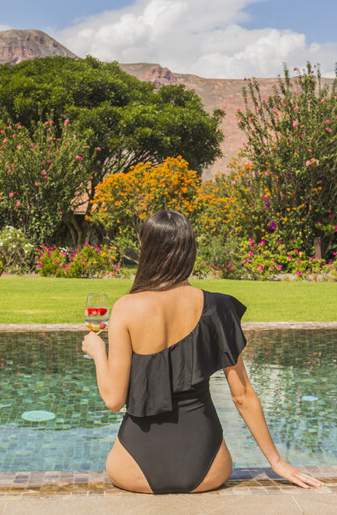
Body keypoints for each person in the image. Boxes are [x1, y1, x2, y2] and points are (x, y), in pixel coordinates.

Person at [82, 210, 322, 494]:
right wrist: (277, 463)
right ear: (188, 250)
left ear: (147, 250)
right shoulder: (218, 307)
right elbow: (243, 396)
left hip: (134, 469)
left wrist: (98, 352)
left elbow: (113, 400)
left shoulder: (126, 308)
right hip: (208, 469)